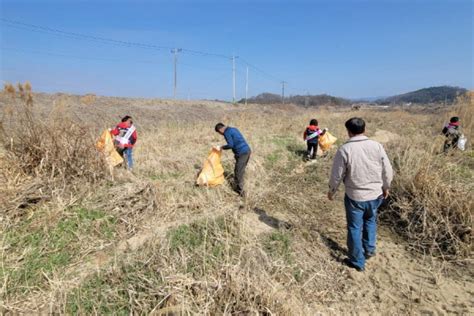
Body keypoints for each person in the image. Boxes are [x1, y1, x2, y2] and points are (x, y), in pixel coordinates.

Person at [328, 117, 393, 272]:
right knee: (370, 220)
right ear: (365, 129)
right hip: (376, 194)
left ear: (348, 131)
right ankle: (369, 249)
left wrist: (332, 190)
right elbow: (387, 170)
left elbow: (337, 175)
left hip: (355, 196)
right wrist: (386, 186)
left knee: (354, 227)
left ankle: (357, 261)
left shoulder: (345, 149)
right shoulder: (377, 146)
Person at [214, 123, 251, 196]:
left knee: (238, 172)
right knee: (241, 170)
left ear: (220, 130)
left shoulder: (226, 133)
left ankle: (241, 192)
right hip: (247, 150)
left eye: (219, 133)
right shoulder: (233, 129)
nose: (220, 134)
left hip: (242, 153)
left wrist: (221, 147)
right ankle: (240, 185)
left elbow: (231, 145)